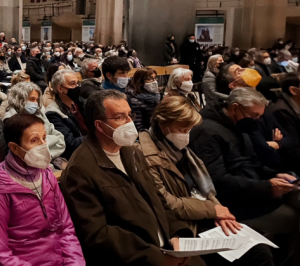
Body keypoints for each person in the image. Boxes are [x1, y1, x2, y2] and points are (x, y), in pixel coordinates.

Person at [61, 90, 193, 266]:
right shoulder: (81, 169)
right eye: (119, 117)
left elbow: (157, 199)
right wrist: (156, 258)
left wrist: (176, 232)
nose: (130, 122)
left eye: (130, 114)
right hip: (138, 258)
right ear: (99, 126)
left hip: (166, 245)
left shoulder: (131, 152)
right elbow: (97, 234)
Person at [139, 96, 275, 266]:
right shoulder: (146, 155)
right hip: (182, 223)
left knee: (258, 246)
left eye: (189, 129)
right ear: (163, 124)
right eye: (183, 129)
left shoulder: (179, 149)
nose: (187, 135)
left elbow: (204, 187)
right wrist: (212, 210)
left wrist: (220, 212)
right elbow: (165, 202)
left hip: (199, 212)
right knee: (257, 254)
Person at [190, 88, 300, 240]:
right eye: (254, 116)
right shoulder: (206, 131)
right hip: (237, 203)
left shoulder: (239, 124)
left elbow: (253, 162)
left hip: (254, 190)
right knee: (294, 219)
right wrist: (267, 188)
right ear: (235, 107)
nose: (256, 121)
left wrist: (274, 175)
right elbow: (217, 181)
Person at [0, 113, 85, 266]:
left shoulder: (47, 175)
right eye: (34, 140)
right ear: (14, 147)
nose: (43, 145)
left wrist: (75, 263)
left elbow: (65, 228)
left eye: (44, 138)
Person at [4, 82, 67, 169]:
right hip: (27, 167)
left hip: (52, 160)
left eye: (36, 100)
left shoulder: (39, 113)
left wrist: (44, 151)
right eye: (32, 99)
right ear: (19, 99)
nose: (35, 103)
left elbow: (60, 139)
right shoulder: (11, 119)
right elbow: (28, 151)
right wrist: (52, 141)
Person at [45, 69, 87, 159]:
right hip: (77, 156)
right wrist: (96, 136)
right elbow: (70, 144)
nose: (77, 87)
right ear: (60, 89)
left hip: (90, 147)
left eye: (77, 83)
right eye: (72, 84)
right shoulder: (53, 113)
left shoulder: (80, 102)